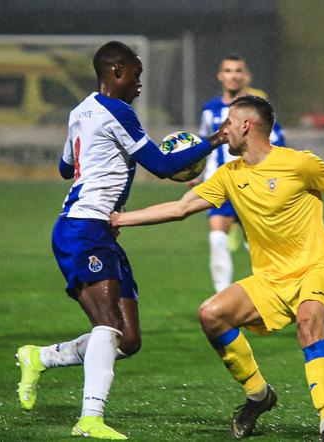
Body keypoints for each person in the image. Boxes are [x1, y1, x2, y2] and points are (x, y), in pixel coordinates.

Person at [112, 95, 324, 442]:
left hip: (317, 268)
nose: (221, 130)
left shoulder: (298, 164)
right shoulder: (229, 175)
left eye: (227, 122)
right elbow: (181, 207)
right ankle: (259, 395)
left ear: (246, 125)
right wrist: (120, 218)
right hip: (270, 279)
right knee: (212, 314)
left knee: (309, 321)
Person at [14, 41, 227, 440]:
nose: (140, 83)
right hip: (84, 227)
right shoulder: (118, 111)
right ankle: (90, 419)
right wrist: (213, 141)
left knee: (127, 339)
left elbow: (65, 168)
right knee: (108, 325)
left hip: (96, 229)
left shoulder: (80, 110)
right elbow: (162, 166)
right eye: (135, 74)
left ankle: (40, 357)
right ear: (115, 71)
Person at [197, 54, 286, 292]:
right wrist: (197, 171)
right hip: (221, 182)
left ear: (245, 76)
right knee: (217, 237)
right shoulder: (211, 109)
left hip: (252, 181)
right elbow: (206, 142)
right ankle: (222, 296)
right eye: (228, 70)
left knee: (257, 243)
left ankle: (276, 290)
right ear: (220, 76)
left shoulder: (257, 108)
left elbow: (277, 139)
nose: (233, 75)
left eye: (238, 71)